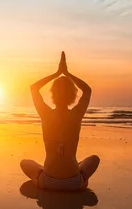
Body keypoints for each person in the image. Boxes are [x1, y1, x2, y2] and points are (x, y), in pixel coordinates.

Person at [20, 52, 100, 191]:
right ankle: (76, 168)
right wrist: (67, 73)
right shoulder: (76, 114)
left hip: (47, 181)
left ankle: (43, 171)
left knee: (25, 163)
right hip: (74, 183)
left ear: (52, 94)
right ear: (73, 96)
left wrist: (57, 73)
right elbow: (87, 90)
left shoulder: (45, 114)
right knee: (94, 159)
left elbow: (34, 88)